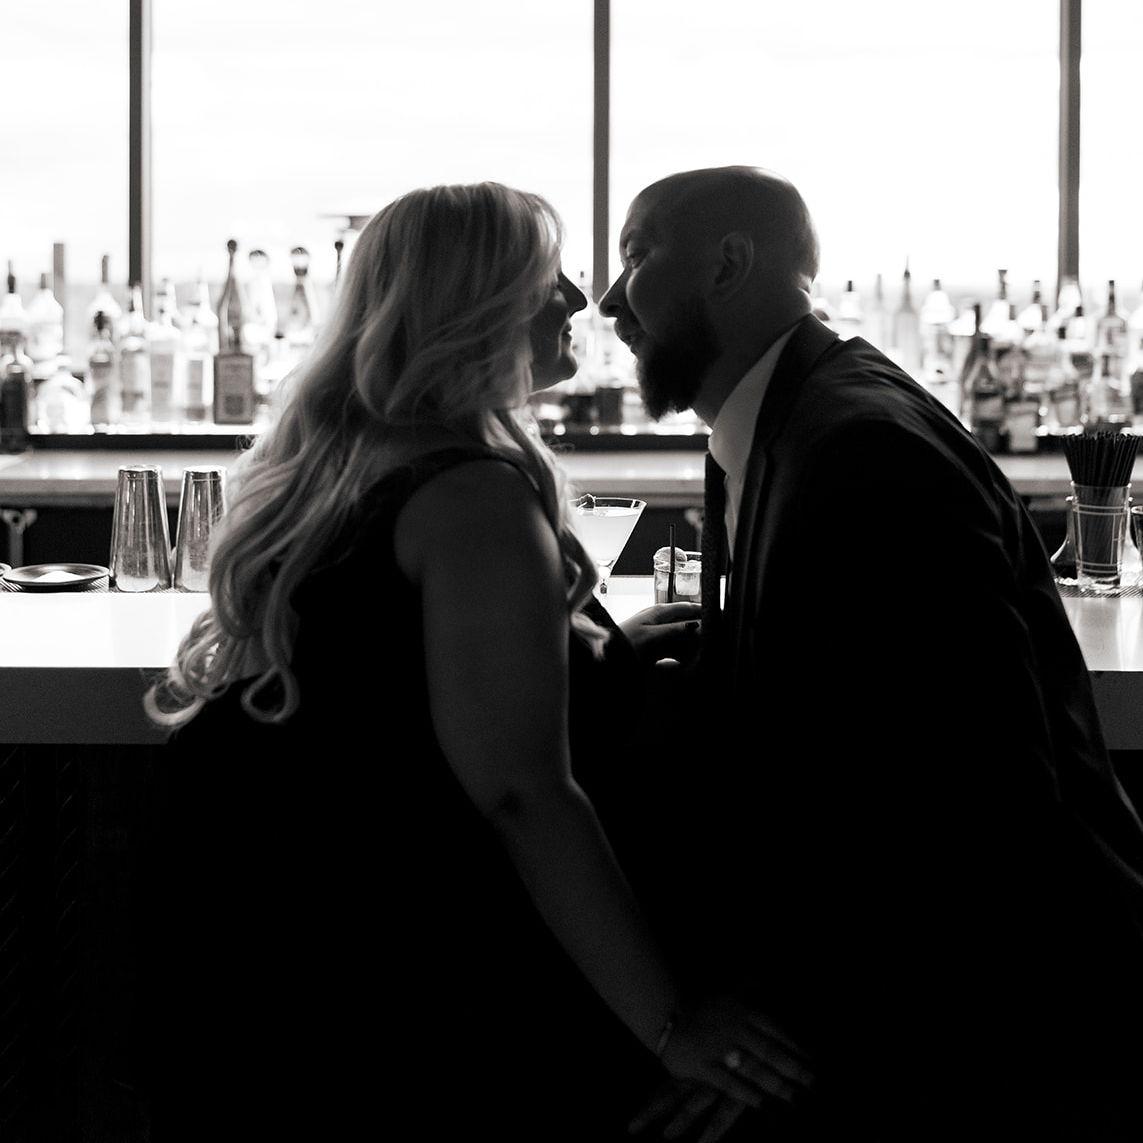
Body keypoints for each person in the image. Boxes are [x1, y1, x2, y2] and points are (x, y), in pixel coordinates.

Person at [137, 181, 813, 1141]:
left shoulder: (354, 456)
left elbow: (386, 680)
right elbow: (523, 794)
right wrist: (671, 1025)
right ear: (472, 308)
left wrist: (593, 651)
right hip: (407, 988)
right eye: (546, 279)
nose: (580, 299)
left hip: (285, 947)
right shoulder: (473, 498)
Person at [599, 165, 1143, 1141]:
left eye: (635, 256)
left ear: (727, 264)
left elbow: (968, 808)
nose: (608, 300)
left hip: (982, 1041)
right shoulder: (800, 418)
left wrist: (771, 1041)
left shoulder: (858, 453)